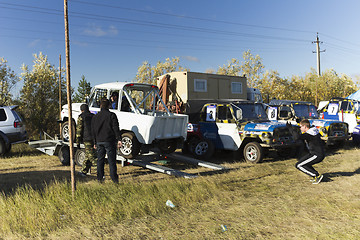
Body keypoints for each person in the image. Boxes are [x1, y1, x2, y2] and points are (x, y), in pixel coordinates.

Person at [91, 98, 122, 183]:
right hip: (109, 141)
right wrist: (119, 139)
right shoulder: (112, 115)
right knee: (111, 161)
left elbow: (93, 130)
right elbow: (116, 128)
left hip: (99, 141)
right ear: (109, 105)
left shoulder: (95, 117)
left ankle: (100, 179)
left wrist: (94, 142)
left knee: (100, 161)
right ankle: (114, 180)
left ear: (100, 106)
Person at [287, 119, 325, 184]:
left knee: (299, 165)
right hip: (315, 153)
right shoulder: (313, 130)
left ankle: (316, 176)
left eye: (300, 127)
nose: (300, 128)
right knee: (303, 163)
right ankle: (315, 176)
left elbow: (297, 137)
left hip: (317, 155)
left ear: (305, 126)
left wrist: (290, 129)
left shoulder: (309, 134)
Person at [76, 104, 97, 176]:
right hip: (94, 138)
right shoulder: (93, 116)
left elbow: (79, 130)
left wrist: (77, 142)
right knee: (88, 155)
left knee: (92, 157)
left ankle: (100, 172)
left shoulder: (81, 117)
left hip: (87, 139)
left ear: (81, 110)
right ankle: (83, 171)